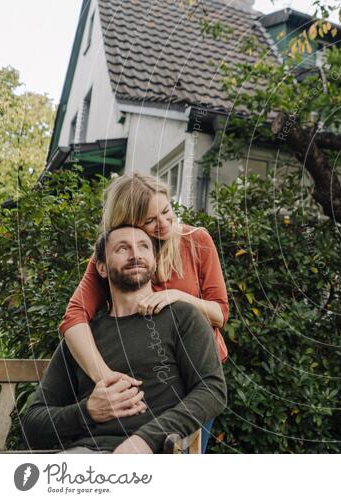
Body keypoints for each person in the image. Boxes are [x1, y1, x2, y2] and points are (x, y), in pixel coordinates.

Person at [59, 172, 229, 451]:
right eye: (150, 220)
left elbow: (220, 313)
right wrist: (107, 380)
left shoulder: (196, 241)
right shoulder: (115, 257)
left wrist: (176, 296)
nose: (163, 224)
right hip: (142, 378)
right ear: (127, 222)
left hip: (195, 378)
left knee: (182, 457)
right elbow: (74, 316)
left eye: (166, 211)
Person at [23, 225, 227, 453]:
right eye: (122, 248)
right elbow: (32, 423)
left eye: (143, 247)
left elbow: (212, 390)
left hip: (154, 454)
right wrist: (87, 412)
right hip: (84, 457)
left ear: (155, 261)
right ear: (101, 267)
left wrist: (146, 439)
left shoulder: (182, 316)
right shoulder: (84, 338)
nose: (135, 254)